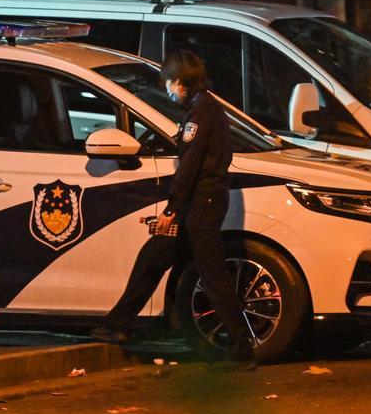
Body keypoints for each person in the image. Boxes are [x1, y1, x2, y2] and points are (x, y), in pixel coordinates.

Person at [93, 50, 255, 369]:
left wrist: (172, 209)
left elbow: (189, 167)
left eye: (169, 84)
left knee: (213, 275)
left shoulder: (201, 113)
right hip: (200, 204)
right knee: (153, 258)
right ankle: (118, 324)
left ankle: (241, 348)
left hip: (201, 206)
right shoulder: (206, 108)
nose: (169, 90)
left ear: (180, 82)